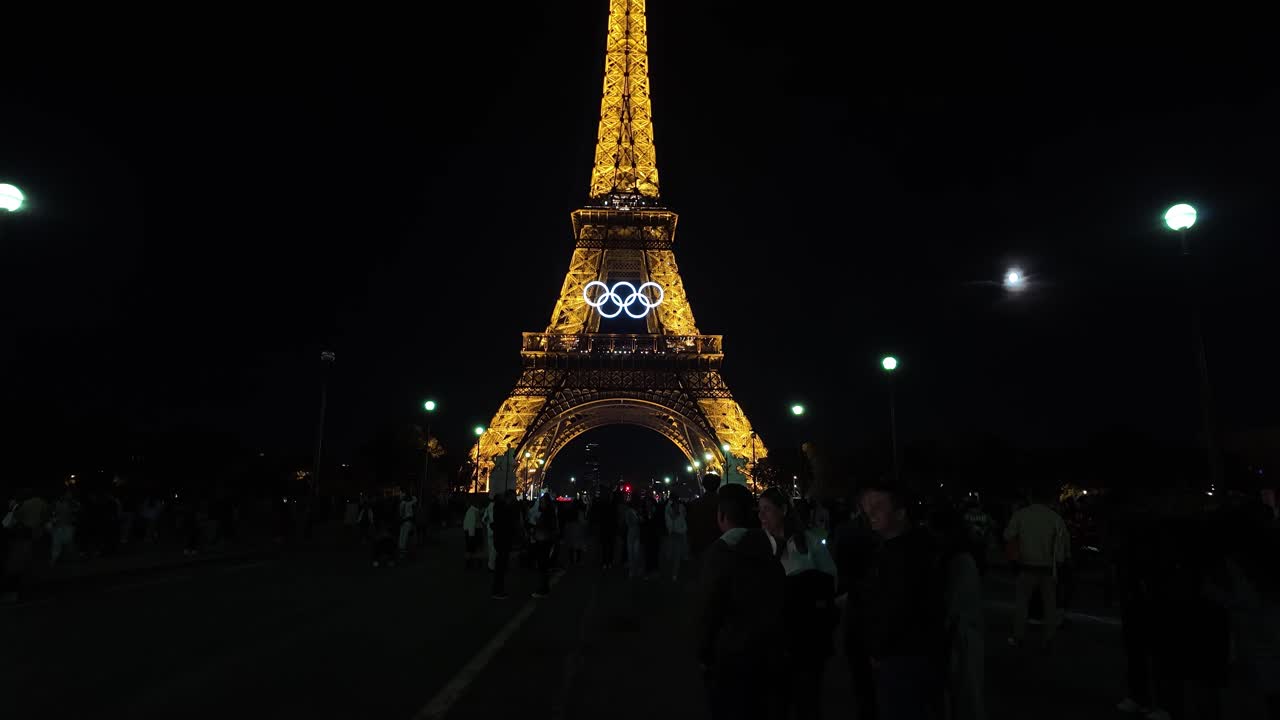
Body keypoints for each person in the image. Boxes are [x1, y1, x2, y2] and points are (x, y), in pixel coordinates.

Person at [694, 483, 785, 720]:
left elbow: (709, 609)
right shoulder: (771, 547)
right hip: (769, 654)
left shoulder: (719, 554)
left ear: (722, 516)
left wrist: (704, 653)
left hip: (731, 656)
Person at [858, 482, 944, 720]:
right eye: (868, 508)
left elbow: (898, 607)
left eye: (878, 507)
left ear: (900, 513)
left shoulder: (907, 555)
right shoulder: (894, 549)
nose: (870, 513)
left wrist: (878, 647)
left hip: (903, 657)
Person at [759, 488, 838, 720]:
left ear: (783, 510)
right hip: (778, 637)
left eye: (767, 510)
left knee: (806, 700)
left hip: (805, 636)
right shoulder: (763, 545)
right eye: (759, 510)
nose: (762, 516)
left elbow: (830, 580)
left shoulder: (807, 543)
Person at [930, 507, 986, 720]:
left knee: (964, 694)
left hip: (960, 636)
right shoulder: (963, 557)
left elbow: (954, 605)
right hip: (963, 633)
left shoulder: (959, 560)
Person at [1003, 486, 1070, 650]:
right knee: (1049, 605)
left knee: (1022, 603)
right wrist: (1059, 561)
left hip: (1026, 565)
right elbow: (1063, 544)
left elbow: (1007, 535)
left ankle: (1018, 636)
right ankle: (1049, 638)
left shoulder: (1021, 515)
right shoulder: (1055, 518)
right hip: (1048, 567)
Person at [491, 491, 518, 599]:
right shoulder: (504, 510)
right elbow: (507, 525)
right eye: (513, 498)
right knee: (501, 567)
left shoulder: (499, 508)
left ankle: (498, 590)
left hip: (500, 541)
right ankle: (498, 591)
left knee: (500, 567)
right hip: (503, 541)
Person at [532, 494, 557, 598]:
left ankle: (543, 589)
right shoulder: (549, 513)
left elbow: (545, 528)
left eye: (542, 502)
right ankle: (544, 588)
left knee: (543, 566)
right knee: (544, 567)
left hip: (544, 541)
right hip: (545, 541)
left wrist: (536, 525)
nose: (540, 504)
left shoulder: (547, 515)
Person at [665, 497, 689, 581]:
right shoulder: (670, 516)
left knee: (677, 556)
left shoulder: (678, 516)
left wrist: (677, 531)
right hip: (673, 536)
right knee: (671, 555)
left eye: (677, 506)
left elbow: (684, 527)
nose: (676, 507)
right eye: (675, 506)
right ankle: (673, 572)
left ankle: (674, 574)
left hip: (678, 536)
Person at [462, 498, 482, 569]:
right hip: (474, 532)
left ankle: (469, 563)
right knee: (474, 549)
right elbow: (472, 523)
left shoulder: (471, 511)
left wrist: (471, 535)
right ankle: (475, 563)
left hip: (471, 532)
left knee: (470, 549)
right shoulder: (474, 511)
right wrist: (471, 535)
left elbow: (471, 524)